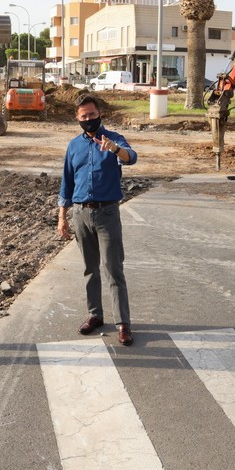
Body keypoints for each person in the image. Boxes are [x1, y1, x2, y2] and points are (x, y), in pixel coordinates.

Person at [57, 94, 138, 346]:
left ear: (99, 113)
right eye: (84, 116)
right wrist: (63, 216)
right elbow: (66, 182)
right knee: (89, 269)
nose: (88, 119)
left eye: (92, 114)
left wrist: (114, 149)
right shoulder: (73, 146)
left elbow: (132, 157)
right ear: (77, 118)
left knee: (114, 268)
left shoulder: (113, 138)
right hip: (81, 214)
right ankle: (95, 315)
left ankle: (122, 323)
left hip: (107, 214)